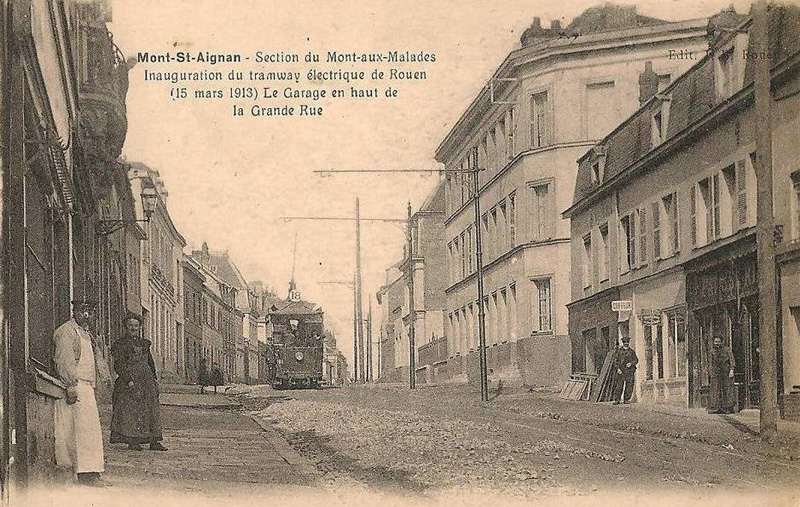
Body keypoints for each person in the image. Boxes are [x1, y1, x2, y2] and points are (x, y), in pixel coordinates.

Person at [53, 299, 106, 486]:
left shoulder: (88, 334)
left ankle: (92, 471)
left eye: (90, 312)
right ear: (74, 311)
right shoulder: (67, 332)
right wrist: (70, 385)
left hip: (87, 387)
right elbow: (65, 359)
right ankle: (84, 473)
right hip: (76, 387)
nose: (86, 315)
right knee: (79, 433)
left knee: (90, 432)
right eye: (82, 311)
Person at [110, 313, 167, 451]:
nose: (133, 328)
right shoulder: (120, 344)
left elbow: (150, 361)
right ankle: (133, 441)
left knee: (151, 410)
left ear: (139, 327)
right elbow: (119, 365)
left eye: (136, 325)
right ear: (126, 327)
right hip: (130, 380)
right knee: (131, 411)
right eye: (130, 325)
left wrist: (154, 379)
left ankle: (154, 441)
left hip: (146, 380)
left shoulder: (144, 343)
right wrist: (128, 380)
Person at [709, 335, 736, 414]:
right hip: (716, 373)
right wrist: (711, 372)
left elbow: (732, 360)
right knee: (716, 390)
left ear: (722, 342)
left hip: (726, 372)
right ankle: (717, 408)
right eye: (715, 342)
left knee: (727, 390)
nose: (717, 344)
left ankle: (728, 408)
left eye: (718, 342)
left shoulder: (727, 350)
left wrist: (732, 370)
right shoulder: (712, 351)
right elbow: (711, 363)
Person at [612, 337, 638, 405]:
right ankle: (617, 399)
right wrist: (618, 369)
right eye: (625, 342)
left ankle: (626, 399)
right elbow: (615, 361)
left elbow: (636, 360)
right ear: (623, 343)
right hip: (621, 370)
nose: (626, 343)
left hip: (629, 370)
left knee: (629, 385)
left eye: (627, 342)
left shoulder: (631, 351)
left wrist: (631, 363)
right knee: (619, 385)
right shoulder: (619, 351)